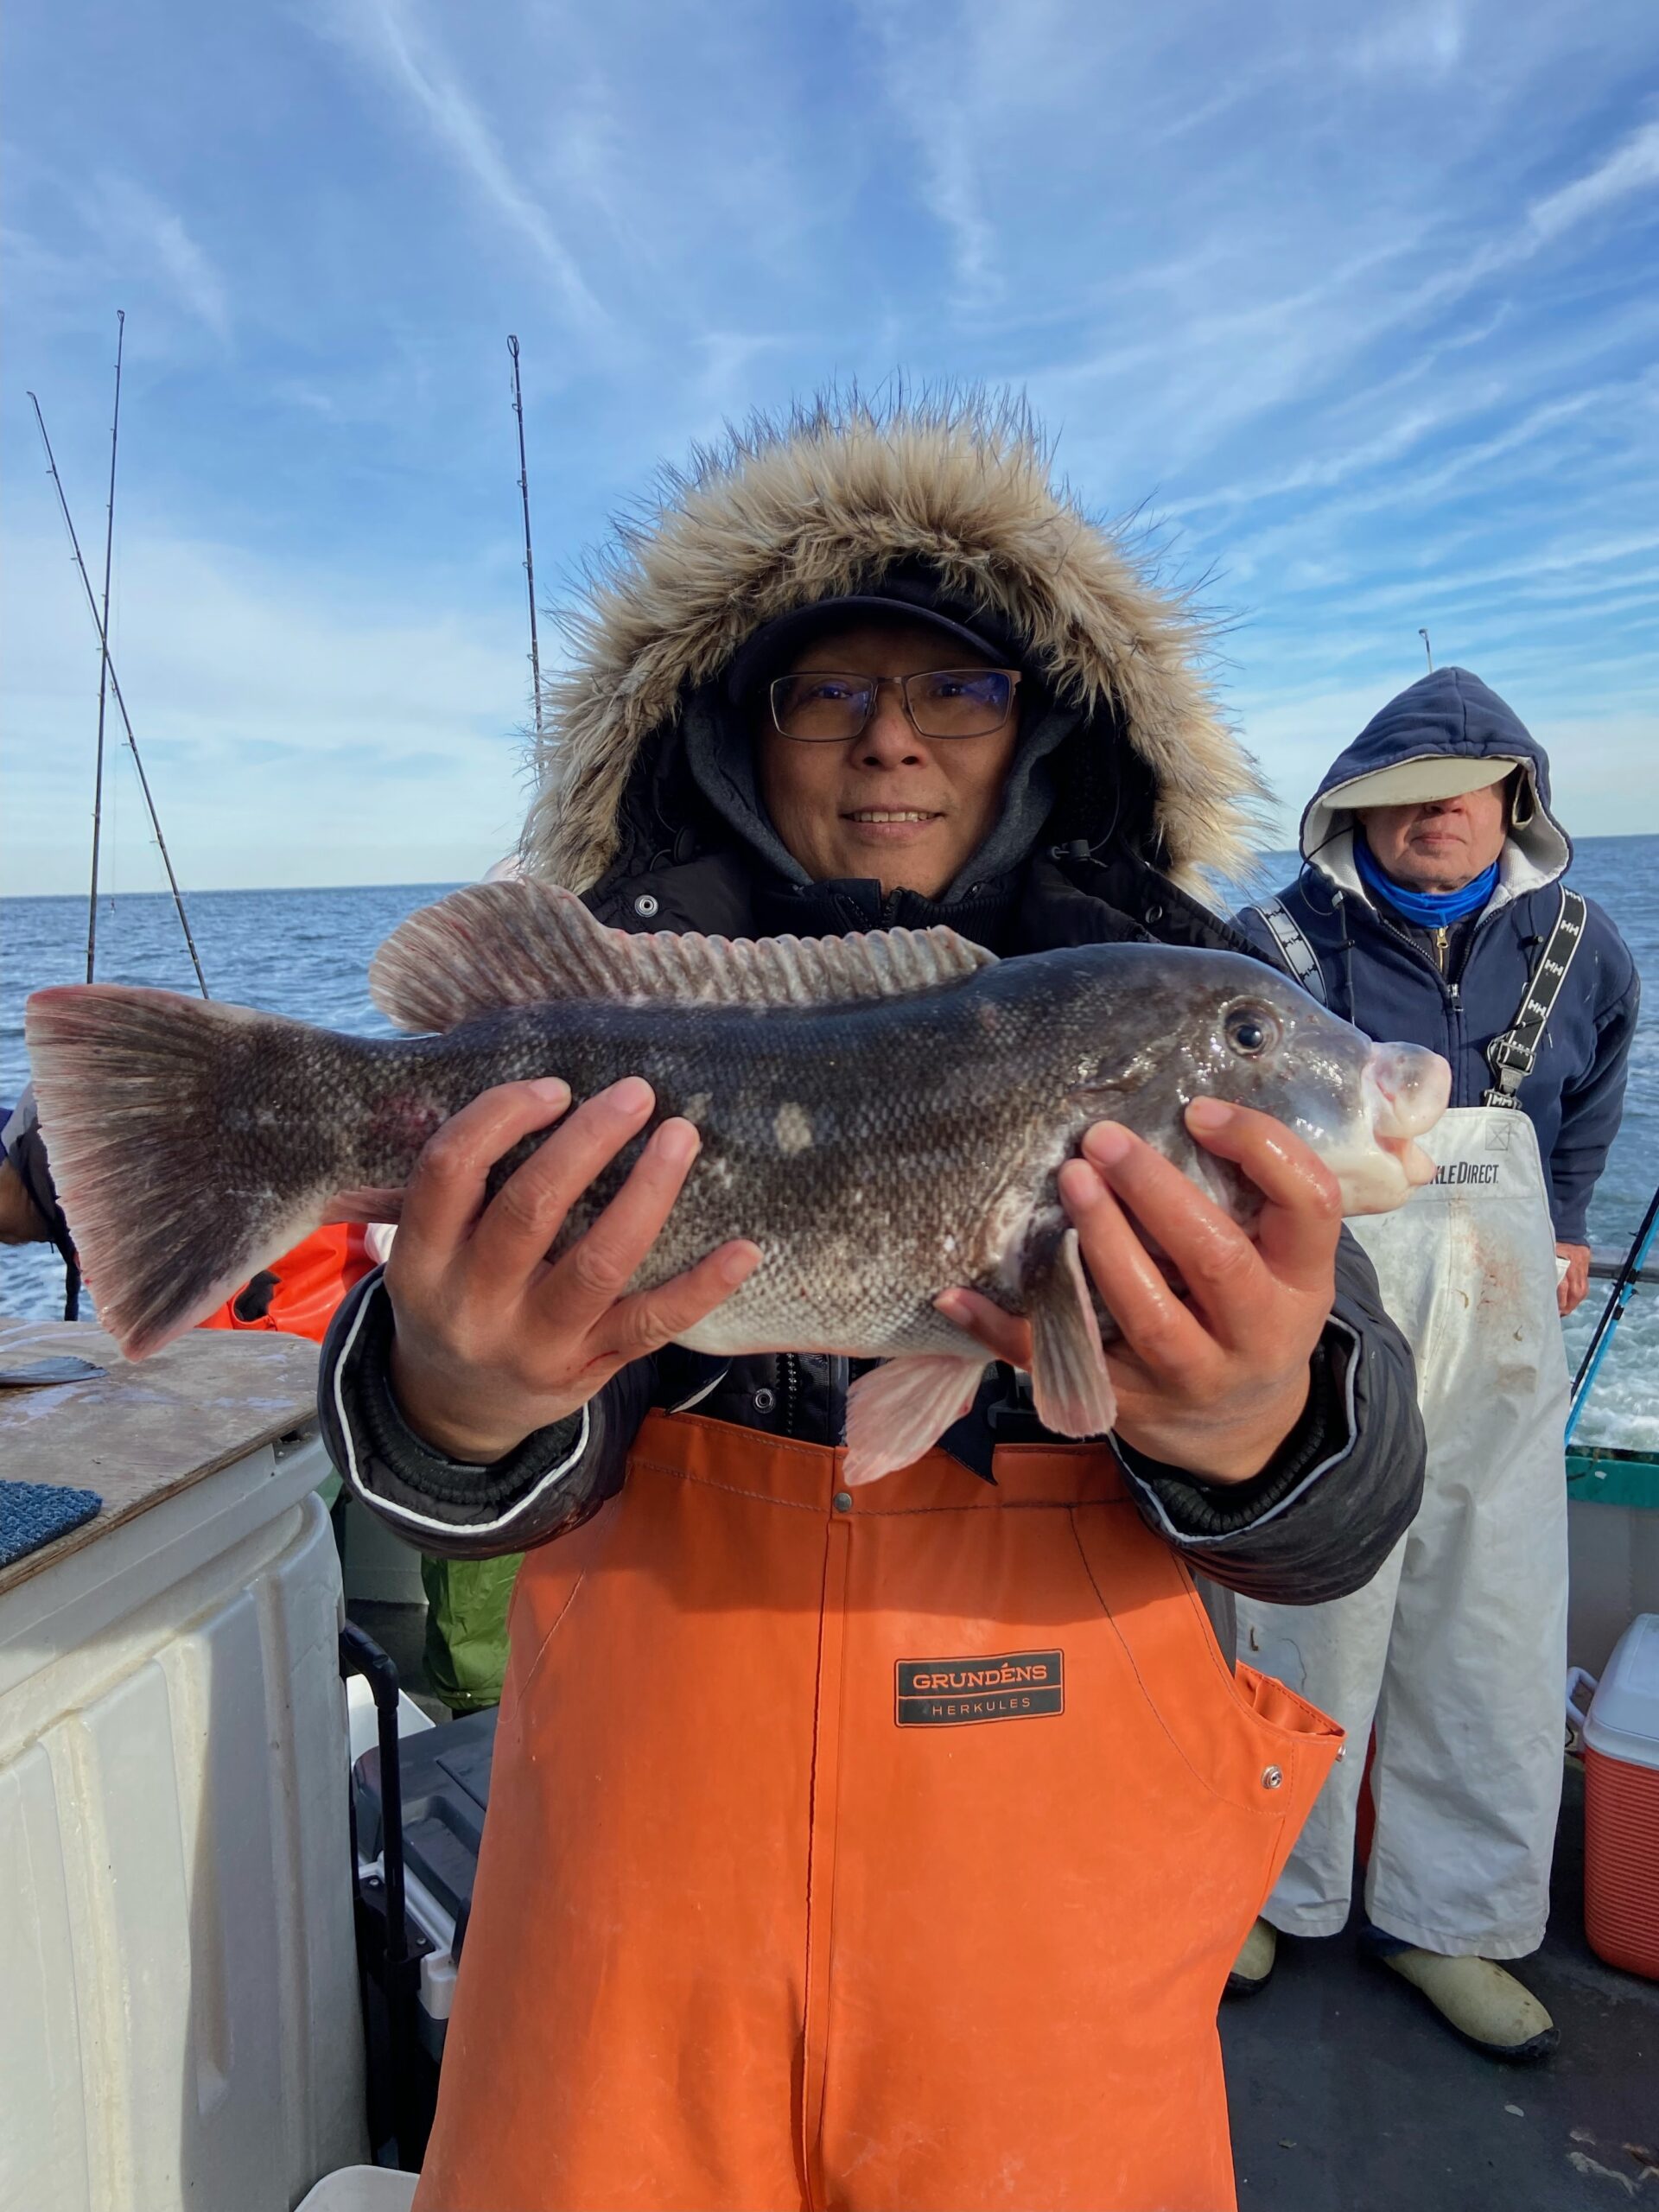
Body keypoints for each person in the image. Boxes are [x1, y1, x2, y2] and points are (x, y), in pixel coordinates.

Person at [1230, 665, 1639, 2062]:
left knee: (1494, 1619)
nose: (1436, 816)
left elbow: (1596, 1085)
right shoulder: (1269, 945)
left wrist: (1568, 1217)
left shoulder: (1583, 942)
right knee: (1299, 1604)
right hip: (1318, 1307)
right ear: (1354, 809)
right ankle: (1260, 1887)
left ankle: (1452, 1920)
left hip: (1500, 1319)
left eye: (1466, 791)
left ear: (1516, 799)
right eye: (1403, 796)